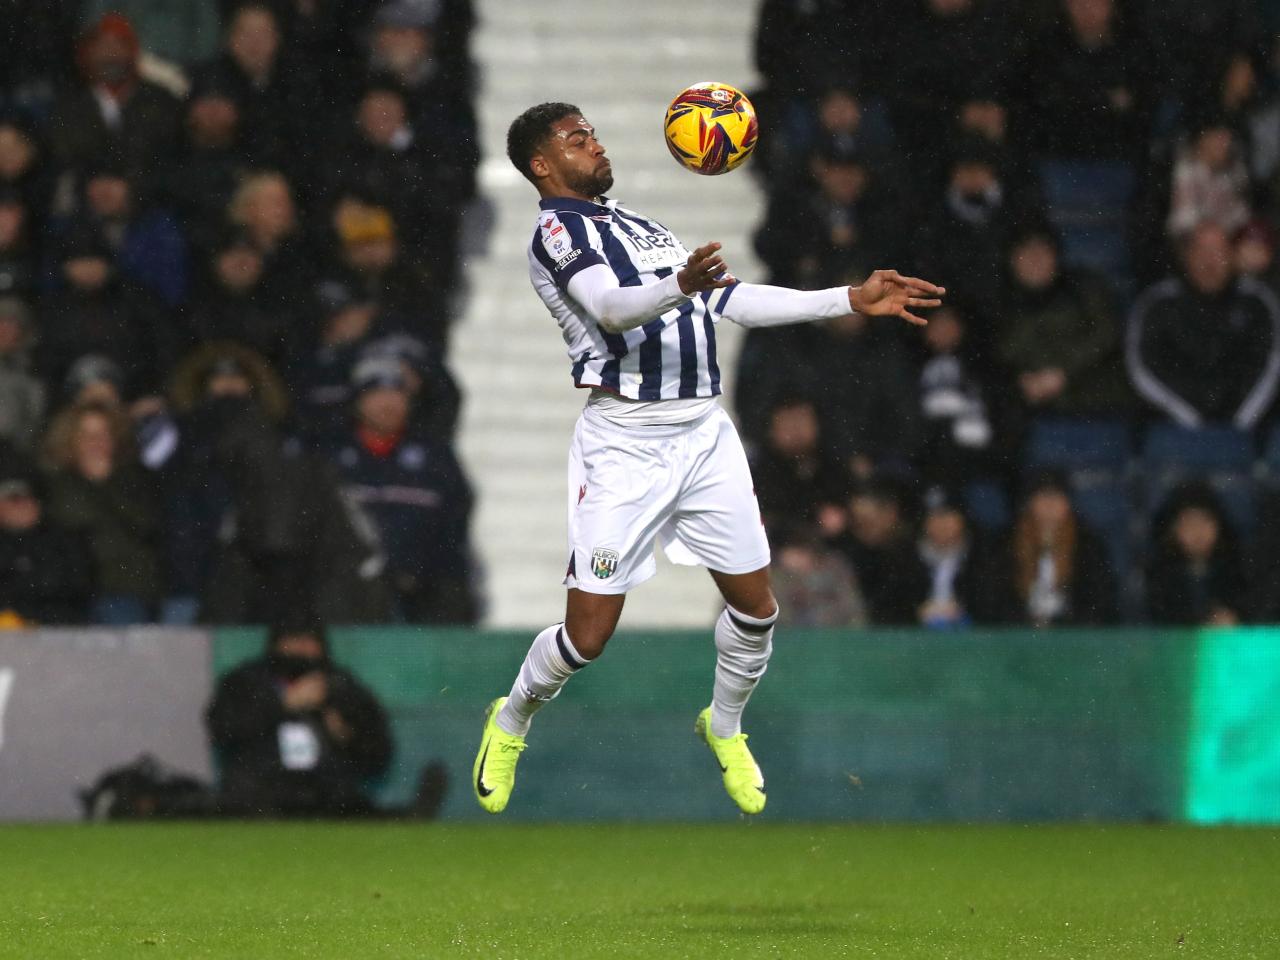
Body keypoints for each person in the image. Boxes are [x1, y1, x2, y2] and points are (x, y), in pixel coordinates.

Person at [472, 102, 944, 816]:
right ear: (542, 164)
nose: (594, 144)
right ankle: (510, 720)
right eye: (576, 139)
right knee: (588, 636)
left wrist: (847, 298)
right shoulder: (556, 233)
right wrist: (678, 285)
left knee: (757, 609)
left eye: (593, 132)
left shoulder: (637, 223)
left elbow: (728, 300)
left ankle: (724, 726)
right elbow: (611, 307)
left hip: (703, 434)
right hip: (625, 443)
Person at [205, 618, 395, 817]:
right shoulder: (246, 682)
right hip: (259, 802)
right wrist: (283, 705)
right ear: (277, 644)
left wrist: (345, 734)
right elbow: (223, 730)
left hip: (331, 803)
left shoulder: (343, 687)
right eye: (294, 640)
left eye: (309, 641)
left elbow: (378, 755)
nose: (302, 648)